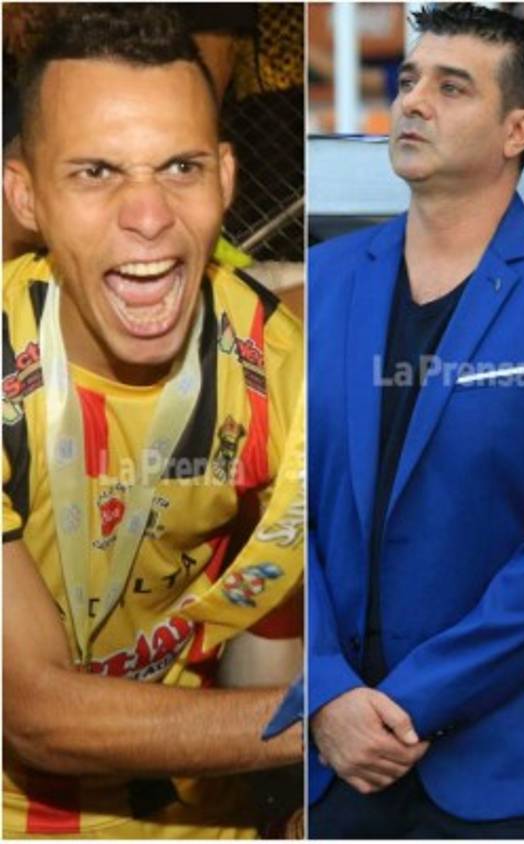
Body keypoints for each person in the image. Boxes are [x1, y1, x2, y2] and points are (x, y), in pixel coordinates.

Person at [1, 4, 304, 838]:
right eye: (96, 172)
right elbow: (33, 710)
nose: (148, 216)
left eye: (179, 167)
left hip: (211, 809)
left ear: (227, 178)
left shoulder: (280, 366)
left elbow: (290, 615)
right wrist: (323, 724)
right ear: (27, 196)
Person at [307, 4, 524, 838]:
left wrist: (401, 706)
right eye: (407, 81)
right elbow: (279, 513)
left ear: (520, 127)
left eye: (450, 87)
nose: (412, 103)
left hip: (515, 774)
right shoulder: (323, 280)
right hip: (334, 766)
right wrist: (326, 690)